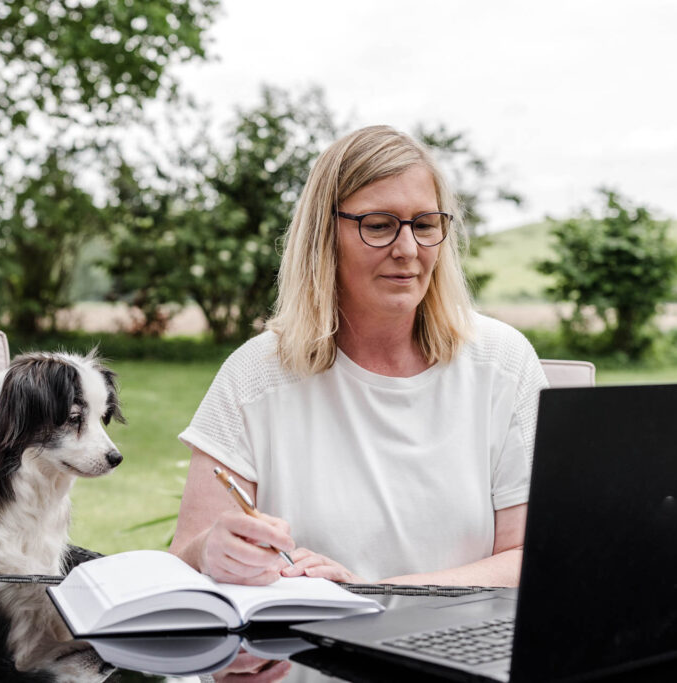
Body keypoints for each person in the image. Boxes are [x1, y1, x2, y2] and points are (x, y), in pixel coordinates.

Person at [169, 125, 548, 587]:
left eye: (425, 225)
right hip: (306, 653)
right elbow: (184, 559)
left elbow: (532, 556)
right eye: (379, 225)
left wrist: (373, 597)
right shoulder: (254, 376)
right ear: (324, 235)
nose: (407, 249)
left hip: (463, 648)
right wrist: (210, 551)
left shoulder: (503, 362)